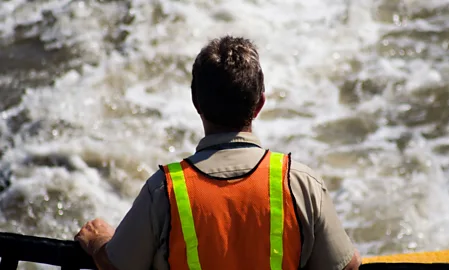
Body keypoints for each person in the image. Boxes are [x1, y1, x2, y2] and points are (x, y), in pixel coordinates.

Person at [75, 35, 362, 270]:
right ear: (260, 103)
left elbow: (116, 266)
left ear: (195, 102)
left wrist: (100, 241)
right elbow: (346, 267)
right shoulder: (299, 183)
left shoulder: (164, 190)